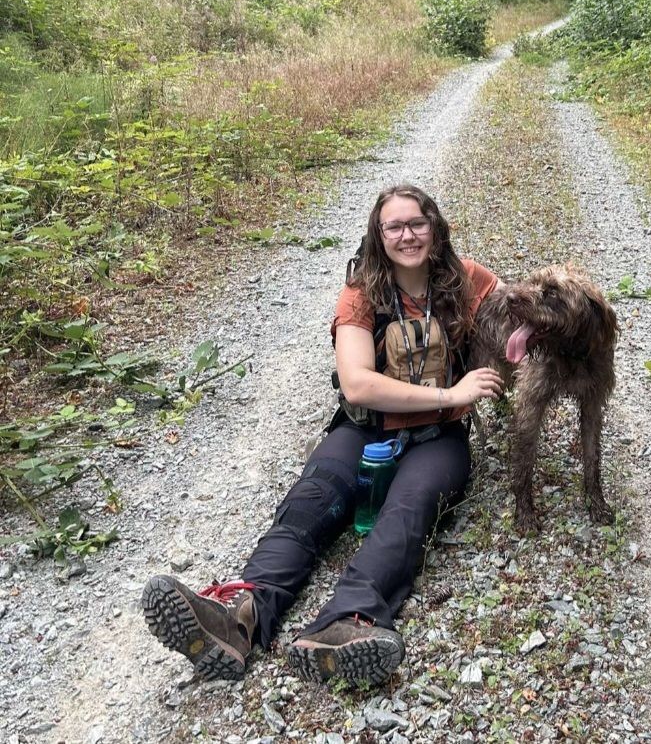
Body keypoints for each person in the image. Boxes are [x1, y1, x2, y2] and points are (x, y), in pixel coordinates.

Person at [142, 184, 504, 687]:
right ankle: (240, 617)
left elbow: (524, 317)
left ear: (435, 227)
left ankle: (346, 622)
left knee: (408, 510)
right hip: (366, 427)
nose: (408, 235)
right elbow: (357, 384)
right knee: (311, 500)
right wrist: (452, 393)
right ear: (378, 235)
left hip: (439, 436)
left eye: (418, 223)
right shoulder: (362, 291)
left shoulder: (467, 279)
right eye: (395, 226)